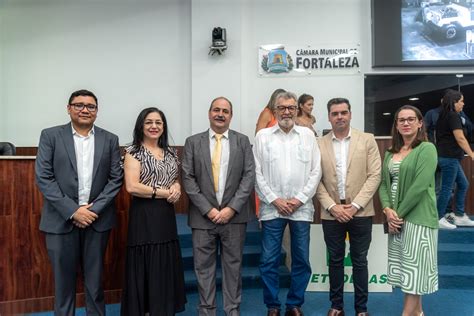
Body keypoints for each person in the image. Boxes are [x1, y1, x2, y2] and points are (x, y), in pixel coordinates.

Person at [35, 89, 123, 315]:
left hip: (97, 220)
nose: (85, 109)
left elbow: (115, 179)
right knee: (63, 286)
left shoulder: (110, 139)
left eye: (90, 106)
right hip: (60, 221)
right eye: (79, 105)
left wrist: (92, 210)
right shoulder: (50, 135)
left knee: (95, 285)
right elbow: (44, 178)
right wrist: (74, 211)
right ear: (69, 108)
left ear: (97, 111)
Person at [182, 97, 255, 316]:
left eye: (225, 111)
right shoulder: (193, 142)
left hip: (234, 217)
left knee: (233, 268)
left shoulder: (242, 141)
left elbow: (249, 176)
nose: (220, 114)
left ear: (231, 116)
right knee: (203, 269)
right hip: (203, 218)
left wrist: (231, 208)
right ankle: (207, 311)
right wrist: (209, 210)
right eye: (216, 110)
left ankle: (232, 310)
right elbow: (188, 178)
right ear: (209, 113)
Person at [254, 91, 322, 316]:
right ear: (274, 110)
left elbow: (316, 171)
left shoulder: (307, 136)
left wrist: (298, 199)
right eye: (282, 107)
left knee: (301, 259)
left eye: (291, 108)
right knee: (269, 260)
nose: (286, 111)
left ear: (297, 110)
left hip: (300, 209)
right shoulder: (262, 137)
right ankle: (272, 305)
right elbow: (256, 173)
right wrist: (275, 200)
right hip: (271, 209)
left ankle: (295, 304)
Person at [316, 98, 381, 316]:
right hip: (331, 212)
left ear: (350, 114)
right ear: (329, 117)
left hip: (361, 211)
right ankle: (336, 306)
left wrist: (354, 206)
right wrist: (332, 207)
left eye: (344, 112)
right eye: (335, 113)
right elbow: (315, 180)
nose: (340, 117)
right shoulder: (318, 143)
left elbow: (374, 176)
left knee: (360, 260)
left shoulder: (367, 139)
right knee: (335, 261)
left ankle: (361, 309)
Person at [120, 107, 186, 315]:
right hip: (144, 216)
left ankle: (163, 309)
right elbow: (132, 186)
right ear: (141, 125)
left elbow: (175, 180)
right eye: (149, 122)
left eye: (158, 122)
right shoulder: (133, 152)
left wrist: (176, 187)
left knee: (164, 263)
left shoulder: (171, 153)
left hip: (166, 216)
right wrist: (165, 193)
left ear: (163, 127)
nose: (154, 126)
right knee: (146, 262)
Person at [379, 105, 439, 316]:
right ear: (396, 125)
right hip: (396, 218)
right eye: (401, 120)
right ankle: (418, 313)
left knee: (415, 272)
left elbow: (419, 187)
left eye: (410, 119)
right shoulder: (390, 152)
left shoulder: (427, 149)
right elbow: (383, 184)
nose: (405, 123)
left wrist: (398, 215)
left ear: (420, 123)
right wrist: (387, 210)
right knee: (409, 272)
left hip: (417, 218)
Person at [435, 89, 474, 229]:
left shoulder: (444, 115)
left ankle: (459, 216)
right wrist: (472, 154)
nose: (463, 104)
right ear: (454, 102)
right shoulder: (453, 116)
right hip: (449, 158)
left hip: (449, 158)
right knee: (446, 188)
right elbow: (460, 138)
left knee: (463, 184)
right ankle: (438, 218)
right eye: (461, 101)